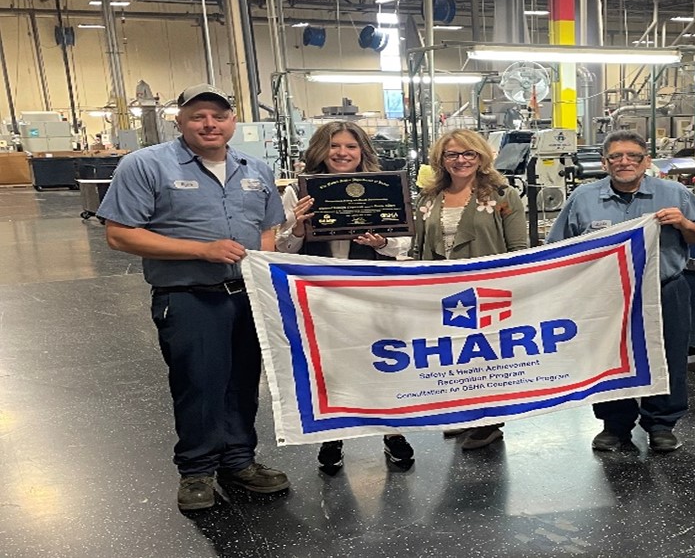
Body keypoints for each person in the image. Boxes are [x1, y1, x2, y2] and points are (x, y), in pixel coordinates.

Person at [96, 84, 290, 511]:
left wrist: (264, 269)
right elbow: (119, 234)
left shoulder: (254, 168)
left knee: (243, 382)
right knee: (199, 383)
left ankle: (240, 460)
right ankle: (197, 470)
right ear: (179, 121)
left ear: (232, 121)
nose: (209, 124)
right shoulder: (145, 165)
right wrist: (200, 250)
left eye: (218, 116)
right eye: (198, 116)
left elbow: (266, 229)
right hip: (188, 297)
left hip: (245, 296)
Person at [546, 129, 695, 454]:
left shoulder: (674, 193)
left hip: (665, 290)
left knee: (668, 357)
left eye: (633, 156)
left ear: (646, 160)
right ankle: (615, 425)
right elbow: (558, 246)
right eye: (616, 157)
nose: (625, 162)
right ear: (605, 162)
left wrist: (683, 224)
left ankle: (661, 425)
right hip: (607, 296)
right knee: (609, 358)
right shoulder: (584, 198)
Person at [275, 120, 414, 474]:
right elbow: (282, 247)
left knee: (382, 362)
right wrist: (298, 229)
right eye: (334, 146)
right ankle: (332, 435)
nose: (342, 153)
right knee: (329, 367)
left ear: (362, 151)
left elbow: (403, 243)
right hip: (320, 293)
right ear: (320, 150)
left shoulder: (383, 188)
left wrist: (381, 243)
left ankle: (391, 431)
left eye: (350, 147)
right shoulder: (297, 191)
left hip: (371, 291)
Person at [413, 128, 528, 450]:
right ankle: (464, 413)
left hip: (486, 290)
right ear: (441, 159)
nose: (460, 160)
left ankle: (489, 421)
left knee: (486, 357)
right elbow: (419, 243)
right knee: (452, 356)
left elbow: (518, 246)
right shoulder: (429, 197)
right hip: (443, 289)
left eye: (468, 154)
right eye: (452, 154)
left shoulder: (502, 195)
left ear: (481, 157)